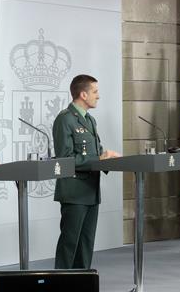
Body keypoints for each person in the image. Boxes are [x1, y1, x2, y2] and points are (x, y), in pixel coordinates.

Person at [53, 74, 120, 269]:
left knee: (86, 243)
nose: (98, 96)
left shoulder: (89, 120)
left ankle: (82, 283)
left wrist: (107, 158)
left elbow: (95, 153)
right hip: (74, 191)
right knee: (70, 243)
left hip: (91, 191)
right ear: (83, 94)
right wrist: (99, 158)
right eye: (95, 92)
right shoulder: (65, 119)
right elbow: (65, 159)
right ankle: (61, 283)